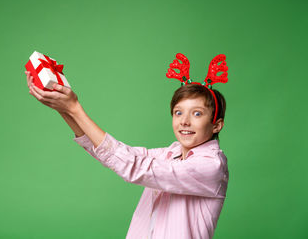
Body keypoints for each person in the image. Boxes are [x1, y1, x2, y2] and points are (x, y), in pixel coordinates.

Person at [24, 53, 229, 239]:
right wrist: (64, 109)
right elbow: (116, 154)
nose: (184, 121)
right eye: (178, 112)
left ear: (216, 125)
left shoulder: (211, 166)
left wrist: (76, 108)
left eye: (197, 113)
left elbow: (134, 167)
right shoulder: (172, 152)